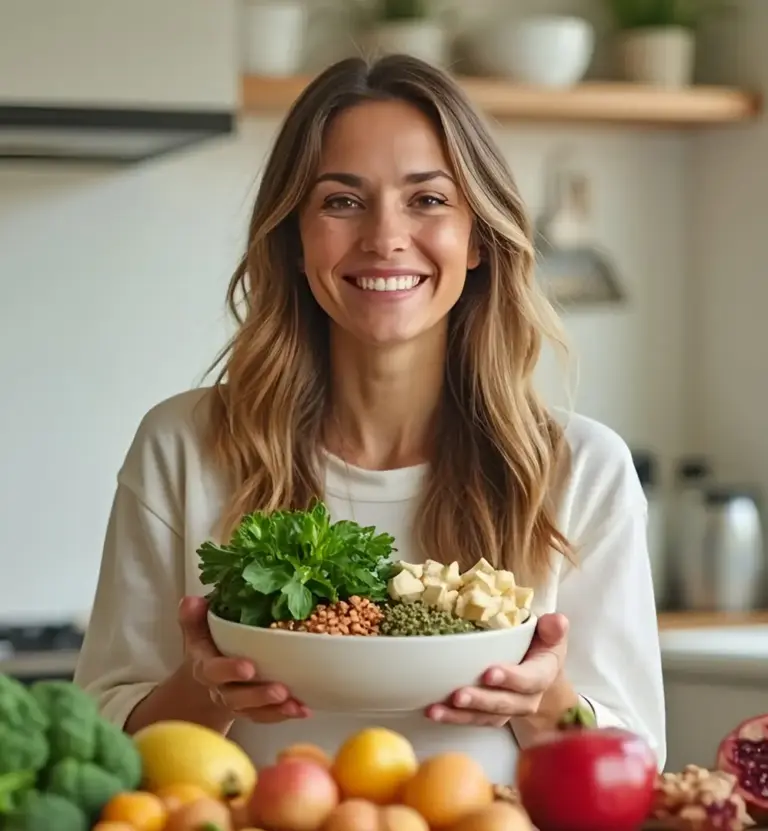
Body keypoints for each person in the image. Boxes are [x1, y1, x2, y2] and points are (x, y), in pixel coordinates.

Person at [74, 54, 666, 784]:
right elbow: (96, 739)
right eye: (342, 202)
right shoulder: (183, 446)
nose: (385, 236)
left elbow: (639, 763)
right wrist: (204, 685)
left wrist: (544, 701)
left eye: (428, 200)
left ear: (479, 237)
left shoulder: (582, 470)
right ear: (294, 238)